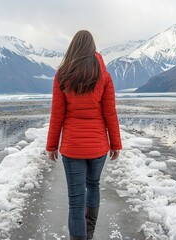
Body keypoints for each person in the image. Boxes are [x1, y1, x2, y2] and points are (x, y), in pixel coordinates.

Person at [46, 30, 122, 240]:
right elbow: (110, 113)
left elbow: (57, 114)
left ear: (73, 47)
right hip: (98, 147)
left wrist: (52, 145)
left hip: (72, 148)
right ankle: (89, 233)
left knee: (76, 200)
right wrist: (115, 143)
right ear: (92, 47)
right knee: (93, 186)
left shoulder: (62, 75)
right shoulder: (104, 75)